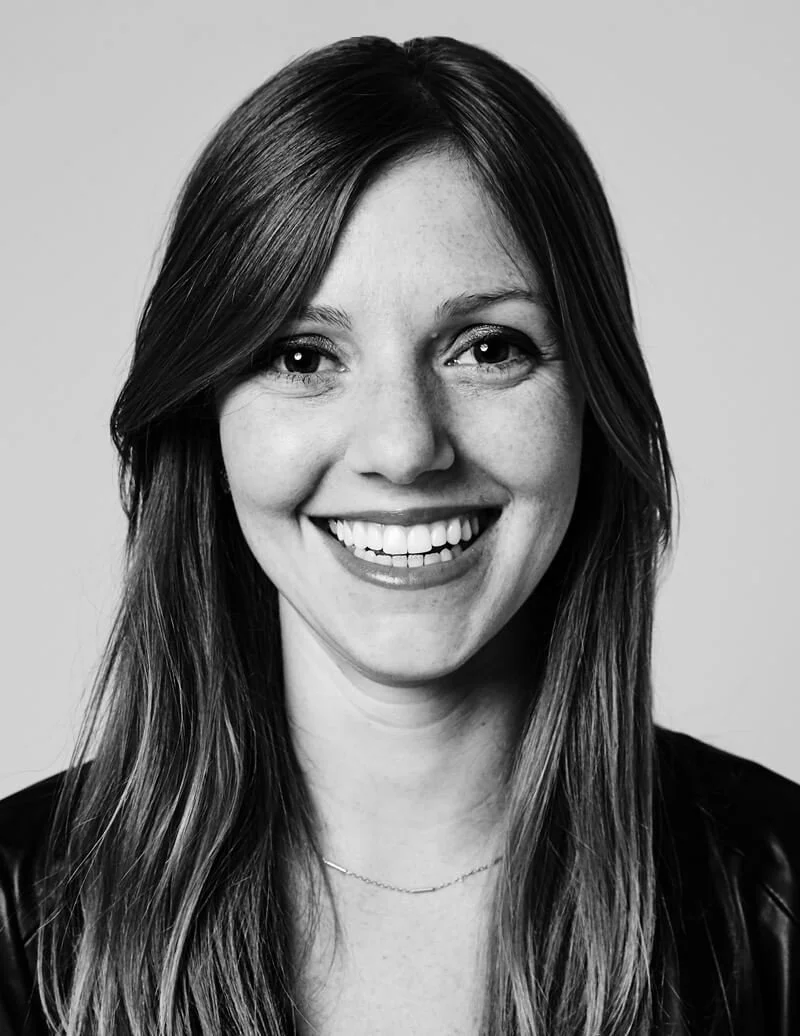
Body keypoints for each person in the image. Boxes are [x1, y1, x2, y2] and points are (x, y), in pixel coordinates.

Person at [0, 33, 797, 1036]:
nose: (404, 446)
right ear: (205, 418)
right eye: (302, 356)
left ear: (591, 404)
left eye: (487, 348)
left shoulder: (777, 905)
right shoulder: (17, 922)